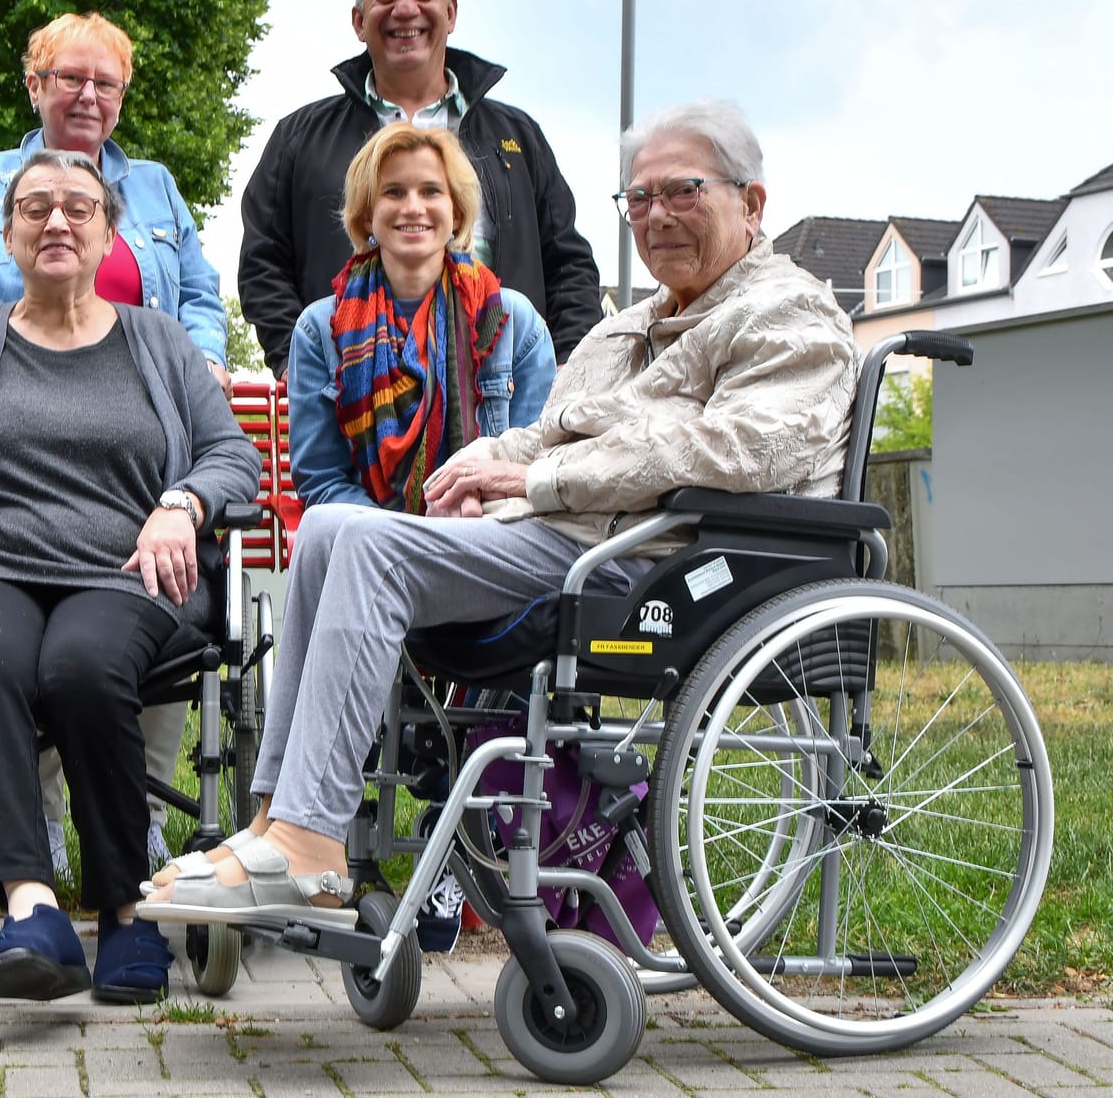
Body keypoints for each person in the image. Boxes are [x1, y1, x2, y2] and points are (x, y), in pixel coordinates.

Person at [143, 101, 859, 927]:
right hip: (586, 536)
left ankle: (311, 839)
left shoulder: (785, 313)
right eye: (638, 200)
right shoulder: (632, 325)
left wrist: (538, 481)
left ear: (752, 202)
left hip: (672, 561)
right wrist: (485, 462)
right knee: (332, 530)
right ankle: (276, 820)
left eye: (682, 192)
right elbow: (549, 426)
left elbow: (736, 452)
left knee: (374, 549)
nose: (656, 216)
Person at [0, 150, 260, 1002]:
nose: (57, 221)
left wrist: (184, 504)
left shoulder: (160, 342)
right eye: (35, 207)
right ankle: (32, 911)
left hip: (126, 571)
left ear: (107, 237)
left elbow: (232, 455)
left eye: (78, 209)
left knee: (81, 667)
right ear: (9, 236)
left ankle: (128, 912)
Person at [0, 11, 229, 877]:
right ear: (35, 83)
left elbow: (199, 296)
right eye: (69, 78)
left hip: (132, 477)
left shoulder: (154, 191)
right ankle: (36, 840)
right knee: (7, 641)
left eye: (106, 83)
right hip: (0, 480)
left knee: (110, 634)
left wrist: (190, 375)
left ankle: (135, 826)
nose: (87, 94)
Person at [238, 0, 601, 379]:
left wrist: (568, 364)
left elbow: (569, 264)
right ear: (358, 20)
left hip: (503, 400)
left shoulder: (518, 137)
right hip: (352, 402)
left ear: (450, 13)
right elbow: (263, 262)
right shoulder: (299, 139)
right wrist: (299, 360)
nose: (405, 7)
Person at [286, 122, 555, 513]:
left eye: (431, 191)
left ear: (457, 213)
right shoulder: (318, 330)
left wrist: (462, 510)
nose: (413, 207)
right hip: (370, 545)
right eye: (393, 192)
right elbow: (322, 481)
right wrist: (400, 538)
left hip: (483, 531)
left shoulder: (516, 322)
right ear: (366, 217)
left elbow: (534, 466)